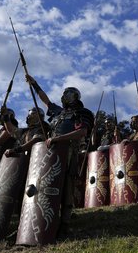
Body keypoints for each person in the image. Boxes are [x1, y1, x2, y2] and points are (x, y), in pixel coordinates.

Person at [25, 74, 94, 238]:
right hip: (50, 150)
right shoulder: (59, 112)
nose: (64, 96)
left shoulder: (82, 112)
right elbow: (45, 101)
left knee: (66, 186)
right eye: (64, 93)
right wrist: (34, 84)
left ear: (75, 97)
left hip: (68, 150)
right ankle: (45, 221)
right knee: (45, 184)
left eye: (68, 93)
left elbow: (81, 132)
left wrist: (57, 138)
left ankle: (65, 223)